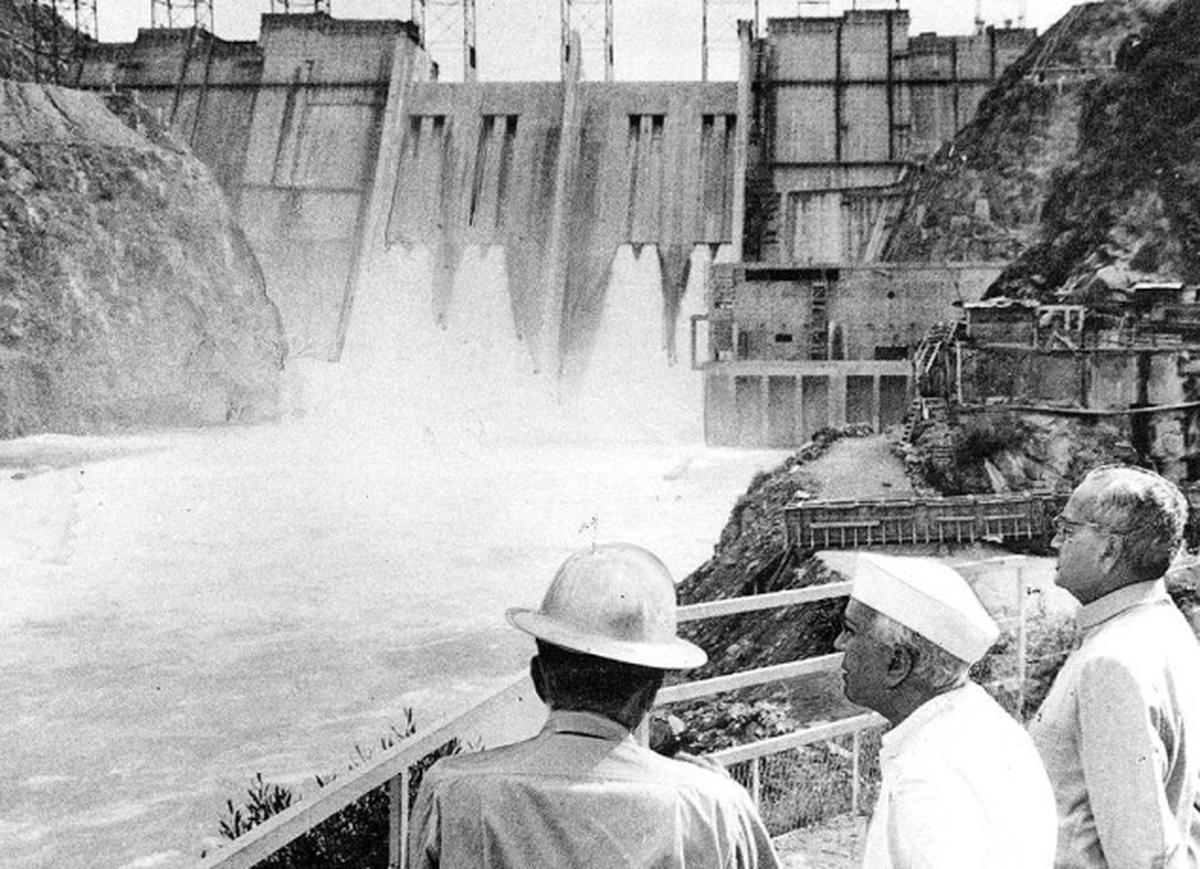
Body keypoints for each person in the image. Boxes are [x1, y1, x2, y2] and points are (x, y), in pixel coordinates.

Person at [408, 542, 781, 869]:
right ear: (650, 691)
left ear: (540, 679)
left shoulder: (451, 789)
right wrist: (722, 796)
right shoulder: (714, 805)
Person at [834, 552, 1056, 868]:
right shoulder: (981, 723)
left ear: (897, 663)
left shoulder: (926, 776)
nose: (839, 644)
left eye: (851, 631)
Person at [1029, 464, 1200, 868]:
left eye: (1068, 530)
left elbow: (1143, 856)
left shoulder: (1112, 661)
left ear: (1110, 550)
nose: (1055, 541)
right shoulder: (1166, 628)